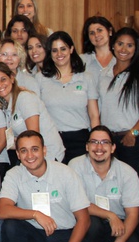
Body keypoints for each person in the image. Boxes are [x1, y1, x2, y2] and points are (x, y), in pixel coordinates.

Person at [0, 131, 102, 242]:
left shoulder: (66, 173)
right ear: (17, 154)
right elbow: (3, 210)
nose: (30, 155)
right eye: (24, 151)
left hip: (63, 235)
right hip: (34, 235)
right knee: (10, 226)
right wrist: (35, 214)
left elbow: (84, 219)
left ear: (44, 150)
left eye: (35, 149)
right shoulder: (14, 174)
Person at [70, 126, 139, 242]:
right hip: (88, 222)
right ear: (87, 147)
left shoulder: (127, 172)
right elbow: (78, 203)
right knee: (93, 224)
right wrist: (110, 215)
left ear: (113, 148)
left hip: (116, 226)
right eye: (94, 142)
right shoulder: (75, 166)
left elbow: (133, 214)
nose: (99, 147)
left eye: (105, 142)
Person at [97, 27, 139, 174]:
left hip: (132, 139)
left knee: (134, 181)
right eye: (120, 44)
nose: (124, 49)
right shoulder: (103, 75)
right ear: (113, 45)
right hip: (108, 140)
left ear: (135, 49)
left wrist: (133, 133)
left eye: (129, 45)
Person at [37, 31, 99, 163]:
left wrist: (96, 140)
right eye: (54, 50)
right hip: (51, 140)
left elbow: (94, 115)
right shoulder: (40, 78)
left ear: (71, 49)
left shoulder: (86, 78)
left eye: (63, 49)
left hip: (80, 139)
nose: (59, 54)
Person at [0, 62, 65, 164]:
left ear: (12, 78)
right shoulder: (6, 105)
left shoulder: (24, 98)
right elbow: (19, 141)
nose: (0, 85)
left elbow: (33, 137)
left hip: (48, 156)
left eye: (3, 79)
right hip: (32, 156)